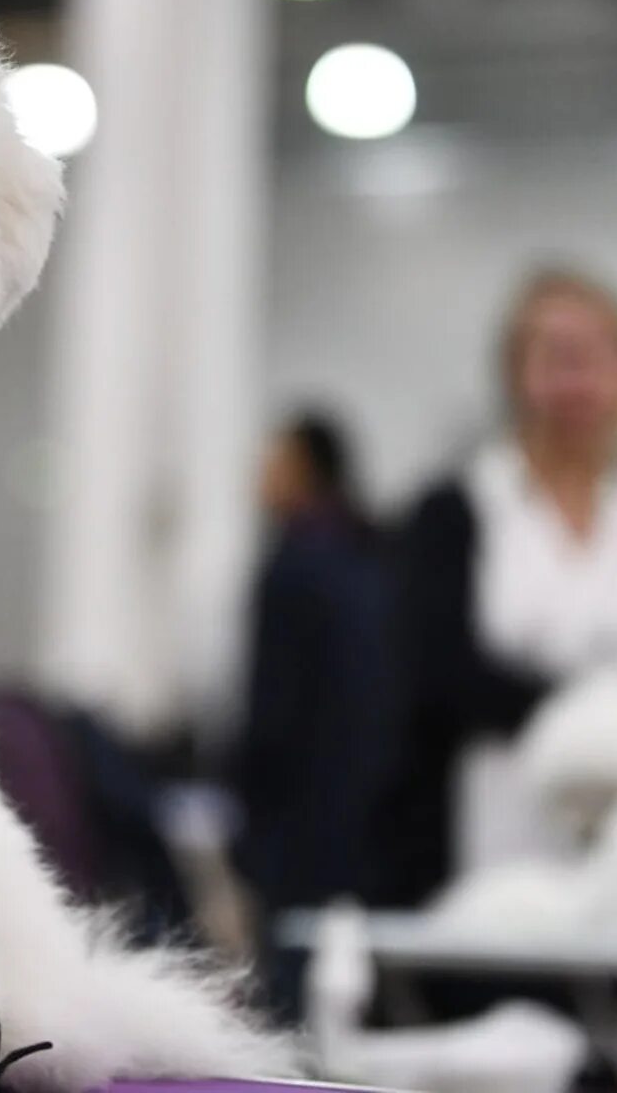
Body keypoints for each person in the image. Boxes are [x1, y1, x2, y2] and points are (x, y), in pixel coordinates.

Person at [380, 268, 617, 910]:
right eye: (556, 356)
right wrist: (607, 716)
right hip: (480, 839)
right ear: (515, 373)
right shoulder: (452, 512)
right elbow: (437, 673)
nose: (578, 379)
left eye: (599, 355)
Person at [232, 412, 393, 1014]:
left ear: (304, 470)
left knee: (293, 994)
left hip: (296, 822)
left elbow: (271, 707)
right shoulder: (368, 555)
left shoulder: (295, 565)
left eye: (271, 464)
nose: (259, 479)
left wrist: (251, 821)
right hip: (363, 815)